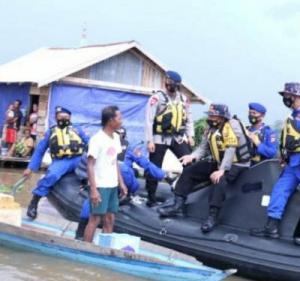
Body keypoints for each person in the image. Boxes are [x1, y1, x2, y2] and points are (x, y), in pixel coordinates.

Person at [251, 82, 300, 247]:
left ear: (295, 96)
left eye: (287, 96)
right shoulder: (294, 114)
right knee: (279, 191)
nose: (285, 99)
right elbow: (290, 139)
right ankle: (271, 227)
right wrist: (284, 158)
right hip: (293, 162)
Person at [158, 104, 251, 233]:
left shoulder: (232, 126)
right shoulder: (211, 127)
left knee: (219, 180)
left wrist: (222, 170)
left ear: (221, 117)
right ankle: (177, 204)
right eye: (210, 115)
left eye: (213, 115)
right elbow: (203, 147)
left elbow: (231, 149)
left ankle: (212, 216)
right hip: (219, 162)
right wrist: (192, 156)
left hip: (237, 164)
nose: (210, 118)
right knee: (190, 170)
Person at [75, 127, 167, 239]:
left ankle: (127, 195)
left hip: (122, 183)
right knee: (89, 208)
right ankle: (80, 235)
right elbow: (89, 164)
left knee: (124, 171)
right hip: (103, 182)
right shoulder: (100, 145)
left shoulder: (129, 149)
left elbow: (146, 164)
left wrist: (163, 175)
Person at [23, 107, 89, 219]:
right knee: (52, 175)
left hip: (78, 158)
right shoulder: (51, 132)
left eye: (66, 117)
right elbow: (40, 150)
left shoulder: (77, 129)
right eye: (60, 117)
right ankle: (34, 203)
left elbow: (89, 142)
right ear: (56, 117)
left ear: (70, 117)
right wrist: (30, 168)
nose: (63, 119)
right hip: (61, 161)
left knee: (90, 172)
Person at [145, 70, 194, 207]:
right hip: (160, 138)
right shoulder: (157, 98)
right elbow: (149, 120)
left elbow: (189, 119)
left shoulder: (184, 99)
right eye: (168, 81)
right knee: (154, 167)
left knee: (190, 162)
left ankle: (182, 193)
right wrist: (150, 140)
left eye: (172, 82)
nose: (169, 84)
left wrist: (190, 136)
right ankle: (151, 198)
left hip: (177, 137)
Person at [83, 106, 127, 243]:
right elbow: (90, 165)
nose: (122, 121)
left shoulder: (116, 137)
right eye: (119, 118)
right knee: (95, 219)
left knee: (110, 219)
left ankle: (104, 248)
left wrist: (121, 183)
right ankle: (86, 249)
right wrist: (94, 190)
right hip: (100, 185)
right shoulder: (97, 139)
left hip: (112, 185)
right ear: (110, 120)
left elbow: (114, 162)